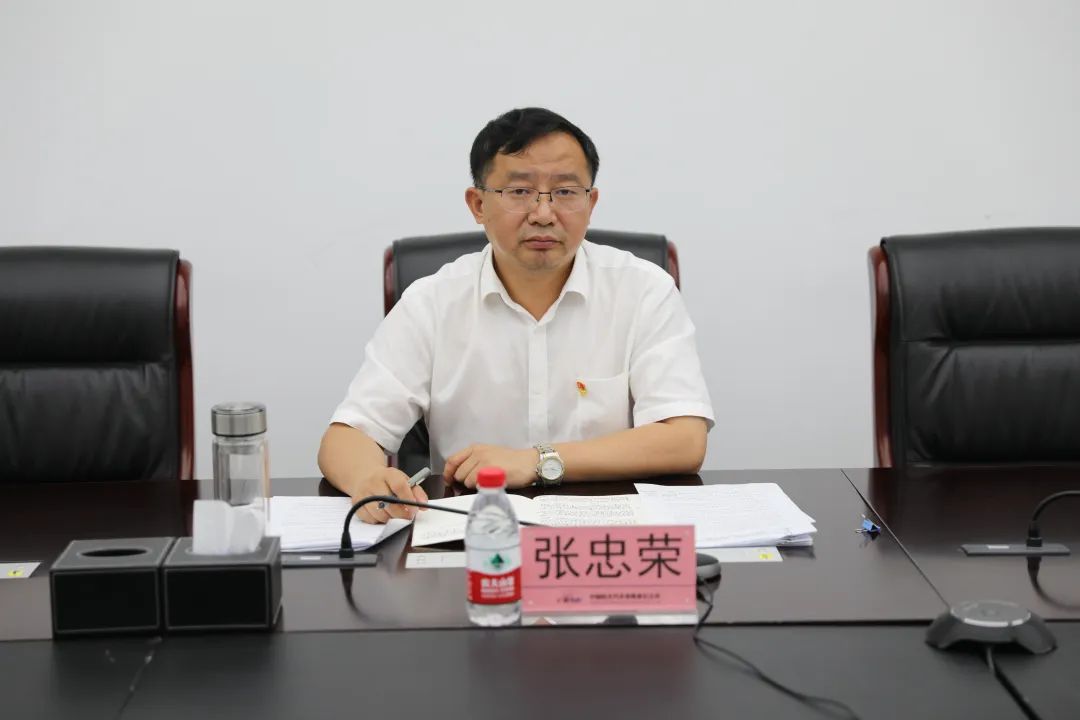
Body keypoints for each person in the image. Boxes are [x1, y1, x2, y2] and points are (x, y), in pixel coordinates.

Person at [318, 107, 714, 523]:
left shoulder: (644, 290)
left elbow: (684, 441)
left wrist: (538, 460)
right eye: (520, 192)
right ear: (478, 204)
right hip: (472, 530)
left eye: (565, 192)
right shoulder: (431, 302)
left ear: (591, 202)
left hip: (606, 535)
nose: (543, 214)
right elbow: (347, 436)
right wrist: (367, 479)